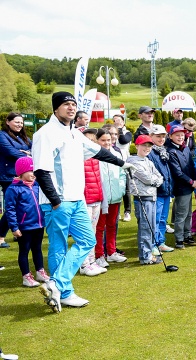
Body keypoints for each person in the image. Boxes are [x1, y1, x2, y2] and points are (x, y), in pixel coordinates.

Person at [33, 92, 136, 312]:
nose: (71, 108)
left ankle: (56, 284)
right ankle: (65, 292)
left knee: (87, 241)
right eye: (65, 105)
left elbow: (97, 151)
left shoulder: (75, 133)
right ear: (55, 108)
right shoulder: (46, 133)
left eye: (73, 104)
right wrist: (55, 201)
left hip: (77, 199)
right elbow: (41, 170)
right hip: (58, 201)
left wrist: (121, 163)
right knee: (59, 248)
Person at [5, 157, 49, 287]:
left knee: (37, 249)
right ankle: (26, 276)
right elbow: (10, 209)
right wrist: (14, 227)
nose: (33, 174)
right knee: (24, 250)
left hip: (38, 224)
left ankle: (40, 271)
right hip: (24, 226)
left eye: (33, 170)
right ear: (21, 172)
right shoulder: (13, 189)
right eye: (30, 171)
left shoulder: (37, 186)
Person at [126, 135, 164, 265]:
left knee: (152, 227)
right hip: (143, 198)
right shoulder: (133, 162)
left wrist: (155, 181)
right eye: (144, 145)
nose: (147, 148)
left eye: (149, 146)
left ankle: (148, 254)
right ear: (137, 146)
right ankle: (145, 257)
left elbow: (160, 177)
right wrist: (155, 181)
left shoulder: (148, 161)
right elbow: (148, 178)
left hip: (152, 197)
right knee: (145, 228)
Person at [94, 129, 128, 266]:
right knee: (99, 227)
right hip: (101, 198)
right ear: (97, 141)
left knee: (112, 225)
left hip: (115, 197)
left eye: (109, 140)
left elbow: (122, 174)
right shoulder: (94, 154)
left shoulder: (116, 153)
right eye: (103, 140)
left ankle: (111, 252)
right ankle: (99, 255)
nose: (107, 142)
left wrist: (120, 190)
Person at [77, 128, 107, 276]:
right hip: (85, 201)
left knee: (93, 232)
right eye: (88, 140)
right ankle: (83, 265)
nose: (91, 143)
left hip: (96, 199)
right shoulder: (78, 158)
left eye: (93, 141)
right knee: (85, 233)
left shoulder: (96, 158)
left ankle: (92, 261)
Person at [0, 112, 32, 249]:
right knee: (11, 207)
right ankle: (1, 236)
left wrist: (29, 153)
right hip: (8, 176)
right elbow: (10, 151)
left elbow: (33, 149)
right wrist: (26, 155)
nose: (19, 125)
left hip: (22, 175)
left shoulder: (23, 137)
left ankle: (16, 231)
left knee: (20, 204)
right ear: (8, 121)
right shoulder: (2, 135)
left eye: (21, 122)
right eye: (16, 122)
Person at [166, 125, 196, 249]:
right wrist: (191, 181)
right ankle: (179, 239)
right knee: (181, 214)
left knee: (188, 213)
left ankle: (187, 235)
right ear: (170, 136)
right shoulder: (170, 151)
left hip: (189, 186)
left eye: (182, 135)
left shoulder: (185, 149)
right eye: (177, 135)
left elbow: (191, 166)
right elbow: (177, 172)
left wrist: (195, 179)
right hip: (181, 187)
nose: (180, 137)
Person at [146, 125, 174, 253]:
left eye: (163, 136)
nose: (161, 139)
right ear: (151, 136)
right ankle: (153, 245)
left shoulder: (164, 151)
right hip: (156, 192)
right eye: (158, 136)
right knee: (155, 219)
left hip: (166, 191)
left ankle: (160, 242)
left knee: (163, 219)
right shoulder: (150, 152)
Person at [112, 114, 133, 224]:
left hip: (124, 162)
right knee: (115, 188)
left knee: (126, 189)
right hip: (113, 163)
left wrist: (119, 130)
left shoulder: (127, 133)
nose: (117, 122)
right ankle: (117, 212)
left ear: (123, 122)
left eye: (119, 121)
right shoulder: (112, 134)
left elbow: (124, 140)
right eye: (115, 121)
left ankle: (127, 211)